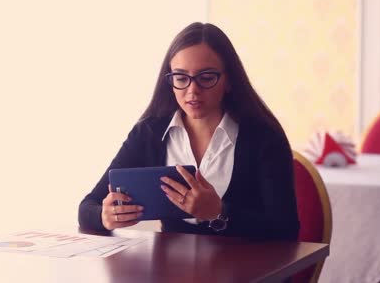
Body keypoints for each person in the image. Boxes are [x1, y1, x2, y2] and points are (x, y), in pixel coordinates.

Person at [78, 22, 299, 240]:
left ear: (228, 80)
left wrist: (219, 213)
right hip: (171, 272)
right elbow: (87, 207)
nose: (192, 90)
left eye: (206, 78)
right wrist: (104, 216)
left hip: (246, 271)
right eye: (181, 78)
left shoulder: (264, 137)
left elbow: (286, 230)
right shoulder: (149, 133)